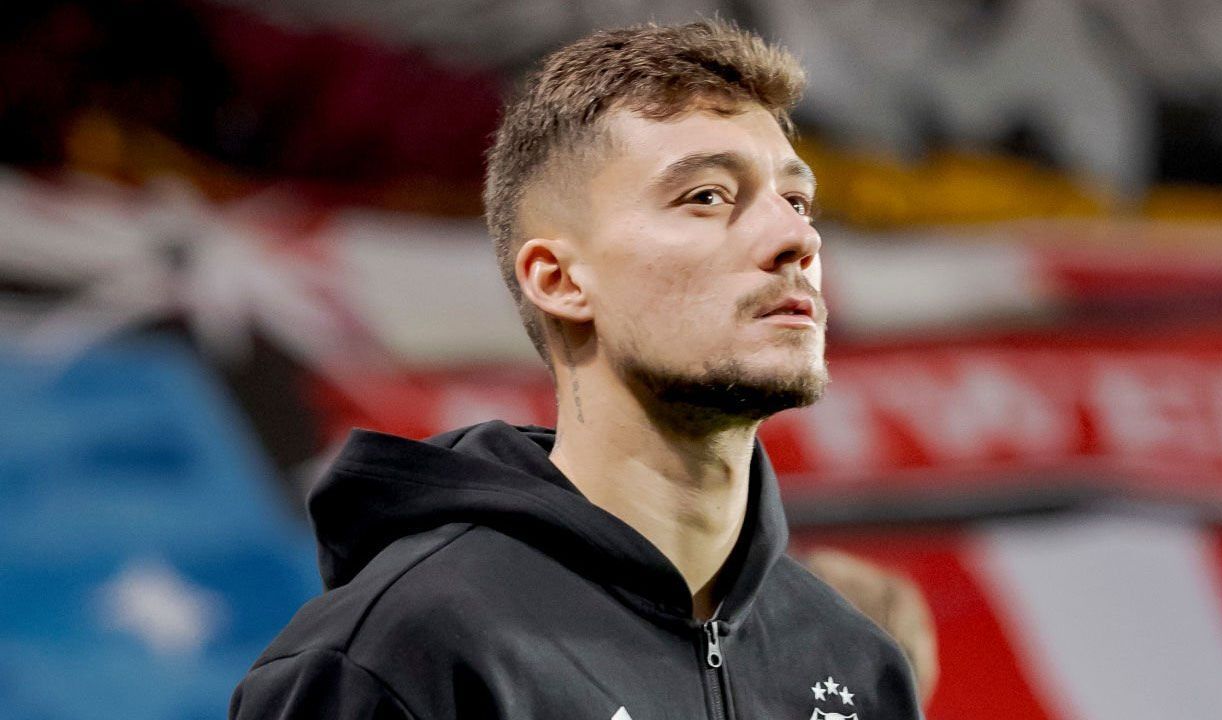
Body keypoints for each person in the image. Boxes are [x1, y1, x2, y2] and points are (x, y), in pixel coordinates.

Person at [231, 20, 923, 719]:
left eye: (796, 201)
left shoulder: (857, 666)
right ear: (559, 280)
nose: (796, 237)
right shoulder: (401, 653)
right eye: (708, 196)